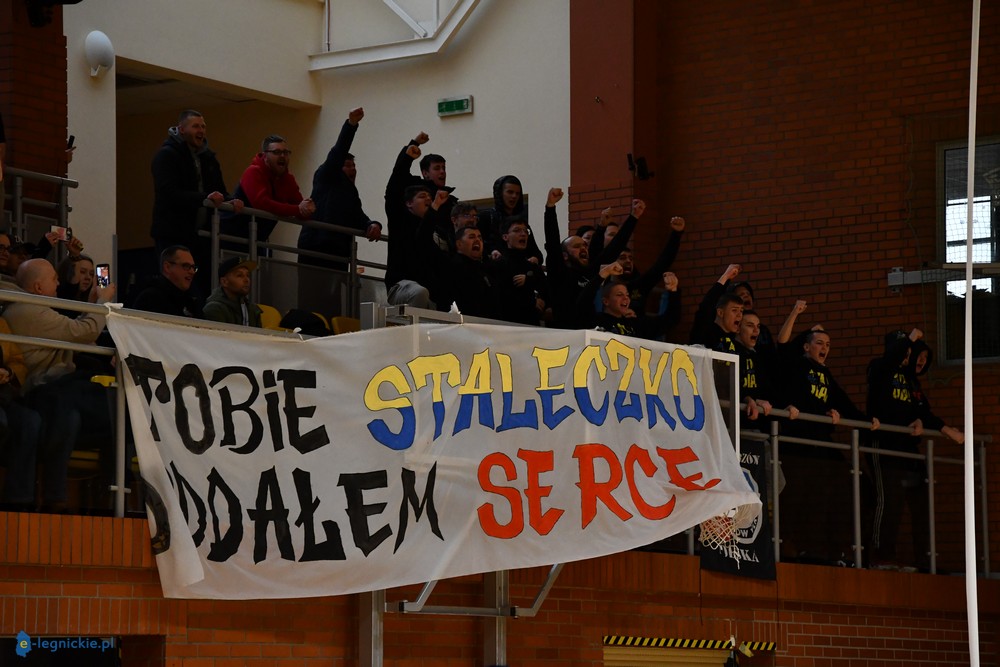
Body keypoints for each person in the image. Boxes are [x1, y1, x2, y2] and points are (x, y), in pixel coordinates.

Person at [3, 259, 116, 509]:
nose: (58, 283)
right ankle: (61, 497)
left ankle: (101, 495)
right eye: (54, 278)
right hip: (39, 390)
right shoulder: (28, 311)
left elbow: (76, 335)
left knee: (89, 412)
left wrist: (91, 306)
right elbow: (83, 332)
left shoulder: (35, 308)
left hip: (54, 389)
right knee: (98, 407)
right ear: (38, 287)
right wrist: (103, 303)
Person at [777, 326, 878, 564]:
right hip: (798, 442)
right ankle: (787, 543)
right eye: (819, 343)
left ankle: (826, 547)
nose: (824, 348)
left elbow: (841, 400)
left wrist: (865, 420)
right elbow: (790, 392)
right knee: (799, 494)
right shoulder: (796, 366)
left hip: (819, 441)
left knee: (831, 490)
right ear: (806, 347)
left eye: (828, 345)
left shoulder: (825, 373)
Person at [866, 328, 962, 571]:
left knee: (920, 502)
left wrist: (930, 423)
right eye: (907, 352)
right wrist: (909, 340)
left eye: (914, 355)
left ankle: (924, 559)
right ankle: (880, 555)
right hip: (884, 443)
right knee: (888, 500)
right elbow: (890, 361)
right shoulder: (879, 367)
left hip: (907, 446)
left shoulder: (910, 380)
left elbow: (922, 410)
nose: (912, 358)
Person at [297, 107, 381, 315]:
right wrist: (351, 125)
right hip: (317, 246)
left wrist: (372, 224)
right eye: (347, 165)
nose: (352, 169)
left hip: (338, 251)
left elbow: (357, 216)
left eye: (353, 165)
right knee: (311, 298)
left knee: (332, 300)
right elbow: (338, 151)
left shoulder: (350, 192)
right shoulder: (327, 175)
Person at [150, 109, 243, 296]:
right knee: (172, 282)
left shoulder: (209, 158)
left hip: (200, 235)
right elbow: (168, 193)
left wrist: (231, 200)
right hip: (172, 231)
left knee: (199, 285)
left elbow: (219, 191)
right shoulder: (166, 156)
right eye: (195, 126)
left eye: (203, 126)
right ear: (181, 129)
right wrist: (204, 198)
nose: (201, 131)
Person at [222, 134, 315, 250]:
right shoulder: (253, 172)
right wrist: (298, 209)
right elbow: (262, 203)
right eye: (277, 152)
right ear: (265, 156)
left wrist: (308, 209)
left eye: (285, 152)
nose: (282, 156)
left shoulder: (288, 179)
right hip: (228, 237)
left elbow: (299, 207)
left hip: (255, 241)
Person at [491, 218, 548, 325]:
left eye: (525, 231)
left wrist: (531, 282)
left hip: (532, 323)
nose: (523, 234)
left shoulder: (531, 264)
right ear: (505, 237)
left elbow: (546, 288)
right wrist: (531, 301)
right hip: (508, 323)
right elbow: (502, 296)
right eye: (517, 230)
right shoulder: (499, 264)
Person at [591, 271, 680, 340]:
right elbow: (585, 301)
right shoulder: (596, 320)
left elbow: (669, 320)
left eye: (627, 295)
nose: (625, 298)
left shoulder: (636, 323)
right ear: (606, 301)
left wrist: (673, 291)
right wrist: (602, 275)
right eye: (619, 294)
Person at [479, 175, 543, 263]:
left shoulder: (522, 223)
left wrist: (535, 259)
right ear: (500, 193)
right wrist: (491, 252)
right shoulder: (486, 217)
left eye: (517, 193)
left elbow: (536, 253)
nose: (514, 196)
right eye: (510, 192)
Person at [131, 246, 205, 319]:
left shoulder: (192, 302)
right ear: (167, 267)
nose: (192, 272)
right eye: (186, 266)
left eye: (193, 267)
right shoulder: (150, 299)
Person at [203, 256, 263, 328]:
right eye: (239, 275)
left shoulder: (253, 310)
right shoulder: (214, 309)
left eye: (247, 275)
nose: (246, 280)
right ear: (224, 282)